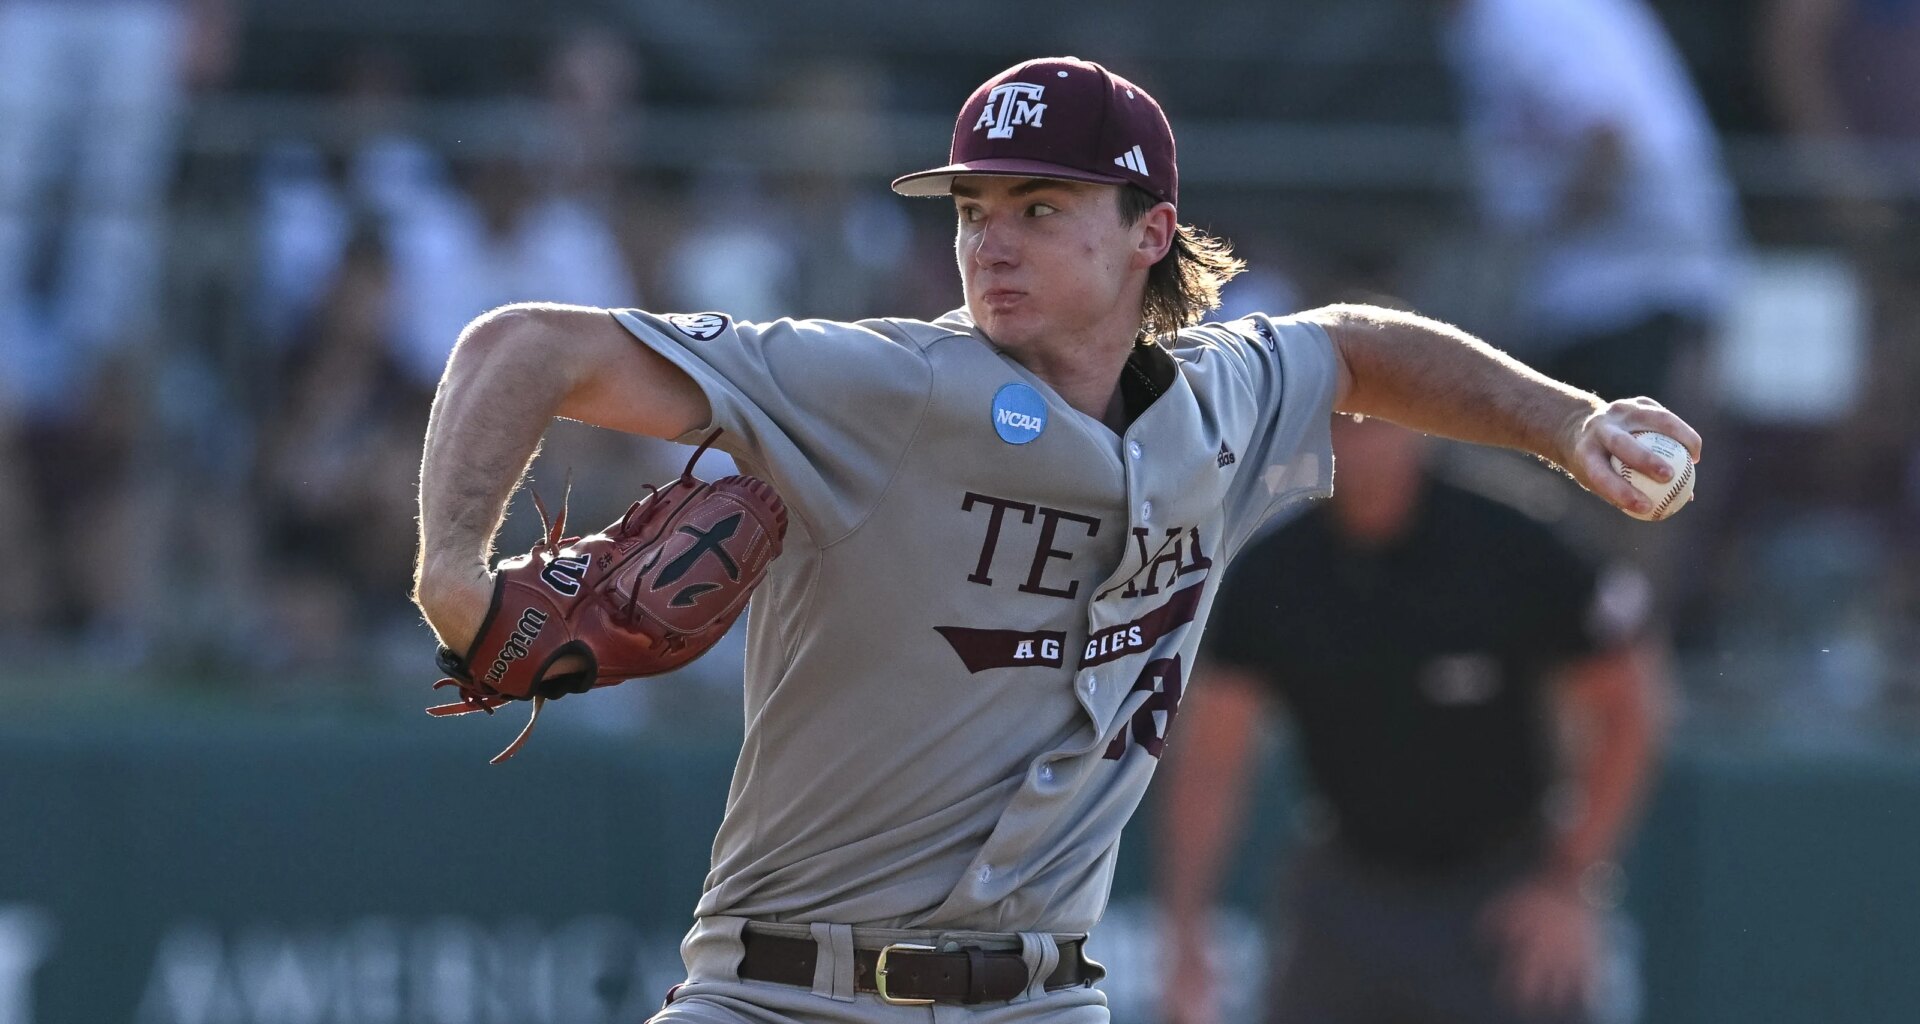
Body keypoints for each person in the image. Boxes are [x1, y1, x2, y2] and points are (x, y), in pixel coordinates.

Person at [409, 56, 1701, 1024]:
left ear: (1149, 234)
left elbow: (1359, 346)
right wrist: (453, 574)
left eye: (1039, 207)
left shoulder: (1222, 402)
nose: (990, 240)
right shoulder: (879, 388)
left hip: (1042, 999)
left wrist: (1567, 424)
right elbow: (524, 344)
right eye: (973, 210)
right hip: (784, 994)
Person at [1157, 414, 1668, 1024]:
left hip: (1503, 894)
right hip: (1346, 890)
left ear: (1419, 423)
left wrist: (1568, 882)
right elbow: (1212, 760)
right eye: (1336, 422)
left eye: (1377, 419)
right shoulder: (1274, 571)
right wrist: (1186, 934)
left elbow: (1628, 706)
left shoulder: (1511, 536)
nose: (1356, 440)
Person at [1440, 0, 1743, 408]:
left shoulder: (1522, 13)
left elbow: (1610, 143)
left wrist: (1527, 244)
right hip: (1611, 289)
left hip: (1629, 287)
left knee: (1623, 459)